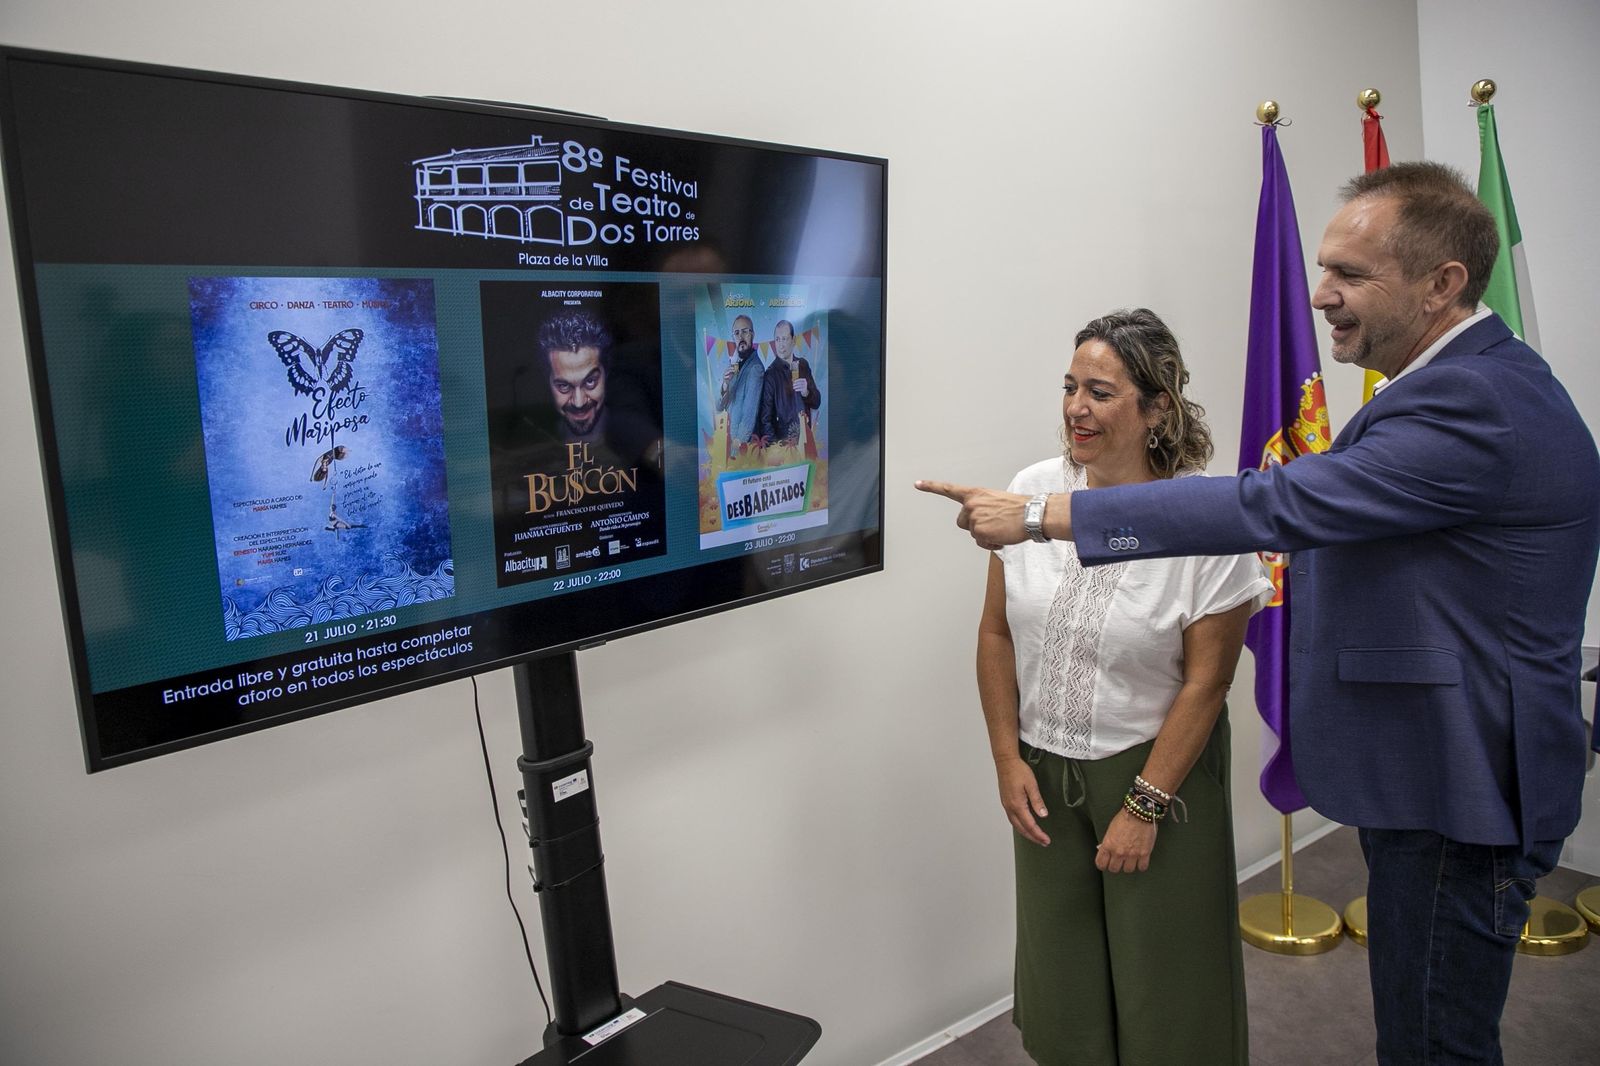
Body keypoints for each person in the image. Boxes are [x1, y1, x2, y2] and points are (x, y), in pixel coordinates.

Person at [919, 162, 1600, 1065]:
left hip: (1461, 780)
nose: (1321, 296)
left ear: (1442, 285)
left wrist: (1050, 518)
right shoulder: (1460, 386)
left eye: (1351, 275)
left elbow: (1273, 508)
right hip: (1432, 772)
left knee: (1435, 1043)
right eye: (1323, 269)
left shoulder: (1475, 399)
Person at [979, 308, 1270, 1065]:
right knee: (1063, 977)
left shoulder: (1206, 518)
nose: (1076, 407)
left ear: (1157, 406)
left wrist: (1144, 805)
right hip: (1044, 772)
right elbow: (995, 635)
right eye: (1071, 387)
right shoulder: (1031, 494)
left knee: (1167, 983)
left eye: (1102, 392)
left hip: (1159, 773)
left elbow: (1208, 682)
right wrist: (1008, 760)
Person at [538, 309, 611, 442]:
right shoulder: (537, 437)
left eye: (590, 382)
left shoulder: (635, 434)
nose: (579, 403)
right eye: (564, 386)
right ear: (547, 380)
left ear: (606, 375)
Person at [756, 319, 821, 446]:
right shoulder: (770, 374)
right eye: (778, 339)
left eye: (785, 339)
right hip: (785, 446)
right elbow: (765, 420)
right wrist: (778, 449)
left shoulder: (803, 365)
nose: (781, 345)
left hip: (807, 442)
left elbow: (816, 403)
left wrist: (806, 392)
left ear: (794, 340)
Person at [717, 314, 764, 445]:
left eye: (745, 332)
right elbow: (719, 406)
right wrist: (725, 384)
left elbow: (749, 415)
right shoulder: (735, 365)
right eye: (736, 333)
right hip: (729, 438)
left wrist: (737, 446)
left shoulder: (756, 368)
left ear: (753, 334)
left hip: (742, 446)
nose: (741, 337)